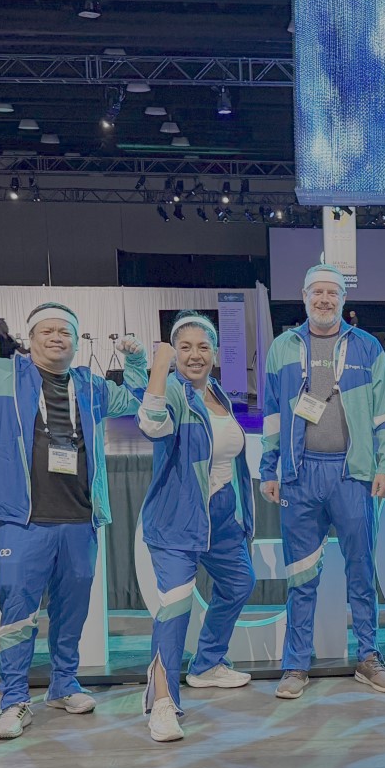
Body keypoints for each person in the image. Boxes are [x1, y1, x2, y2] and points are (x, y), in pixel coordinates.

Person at [0, 300, 149, 740]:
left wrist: (136, 359)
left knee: (72, 609)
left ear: (74, 340)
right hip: (22, 519)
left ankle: (64, 684)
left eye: (64, 332)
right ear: (30, 339)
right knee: (17, 611)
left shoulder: (89, 386)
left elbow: (141, 399)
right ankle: (13, 700)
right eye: (46, 331)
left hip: (79, 518)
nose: (56, 338)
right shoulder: (0, 374)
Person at [260, 264, 385, 699]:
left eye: (332, 293)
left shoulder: (367, 347)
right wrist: (269, 467)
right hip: (300, 476)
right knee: (301, 575)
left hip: (352, 474)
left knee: (362, 568)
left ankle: (368, 657)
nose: (324, 299)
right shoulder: (283, 347)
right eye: (317, 292)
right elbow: (271, 415)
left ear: (343, 300)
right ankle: (296, 665)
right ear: (304, 296)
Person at [138, 312, 257, 743]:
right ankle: (163, 703)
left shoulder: (217, 394)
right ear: (174, 352)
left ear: (214, 353)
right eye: (184, 347)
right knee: (175, 608)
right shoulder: (172, 391)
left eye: (202, 347)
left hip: (220, 522)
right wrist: (158, 369)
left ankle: (206, 664)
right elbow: (152, 424)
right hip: (177, 522)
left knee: (241, 582)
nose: (194, 355)